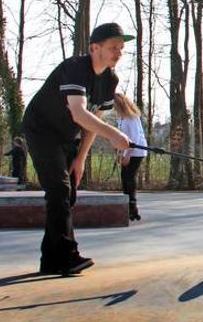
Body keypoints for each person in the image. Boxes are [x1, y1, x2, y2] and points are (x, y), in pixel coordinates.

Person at [21, 22, 133, 277]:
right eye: (113, 47)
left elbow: (95, 120)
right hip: (41, 129)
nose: (119, 53)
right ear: (95, 48)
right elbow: (79, 112)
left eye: (121, 48)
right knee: (58, 188)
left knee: (68, 191)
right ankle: (66, 256)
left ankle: (51, 258)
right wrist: (115, 135)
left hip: (66, 135)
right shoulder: (75, 68)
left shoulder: (109, 80)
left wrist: (81, 158)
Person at [114, 93, 147, 220]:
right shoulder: (121, 119)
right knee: (124, 177)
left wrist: (127, 155)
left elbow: (134, 139)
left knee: (129, 177)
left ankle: (132, 207)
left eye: (115, 105)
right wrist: (119, 153)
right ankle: (129, 207)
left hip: (137, 151)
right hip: (127, 151)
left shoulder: (131, 117)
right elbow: (121, 138)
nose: (114, 108)